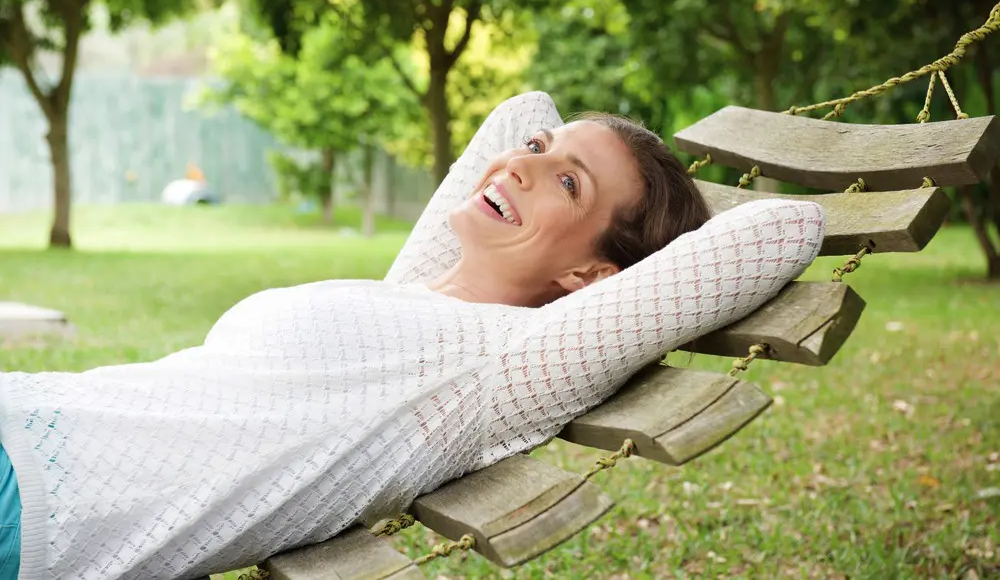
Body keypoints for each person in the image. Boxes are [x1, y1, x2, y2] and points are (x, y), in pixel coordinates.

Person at [0, 92, 822, 580]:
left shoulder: (505, 365)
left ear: (592, 279)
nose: (521, 162)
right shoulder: (417, 301)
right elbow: (525, 107)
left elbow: (786, 227)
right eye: (534, 153)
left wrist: (630, 224)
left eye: (565, 182)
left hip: (40, 503)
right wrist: (553, 159)